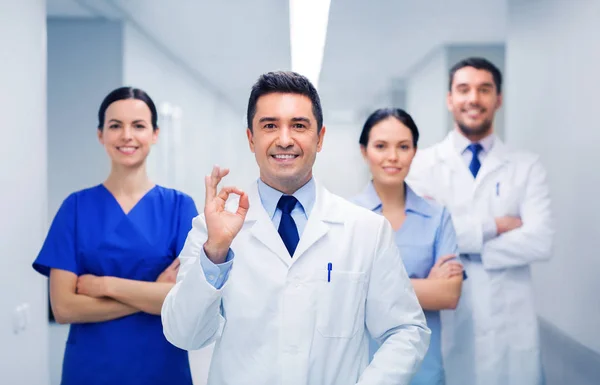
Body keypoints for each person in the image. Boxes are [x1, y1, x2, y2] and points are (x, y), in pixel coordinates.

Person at [161, 71, 430, 385]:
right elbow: (184, 334)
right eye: (270, 125)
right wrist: (216, 252)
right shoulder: (211, 229)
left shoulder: (366, 230)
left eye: (299, 126)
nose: (285, 139)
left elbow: (406, 330)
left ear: (320, 138)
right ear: (251, 138)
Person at [32, 87, 198, 385]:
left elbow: (184, 299)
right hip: (91, 370)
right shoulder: (76, 207)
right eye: (115, 126)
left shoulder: (179, 207)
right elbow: (64, 307)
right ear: (100, 135)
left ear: (155, 134)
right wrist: (150, 295)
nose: (127, 136)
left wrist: (103, 285)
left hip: (160, 368)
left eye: (138, 125)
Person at [406, 57, 553, 385]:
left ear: (498, 99)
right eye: (463, 89)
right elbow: (423, 239)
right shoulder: (422, 166)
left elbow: (540, 240)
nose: (473, 98)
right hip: (449, 318)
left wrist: (462, 246)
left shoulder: (526, 166)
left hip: (509, 322)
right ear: (450, 99)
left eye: (484, 89)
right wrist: (494, 227)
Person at [352, 108, 463, 385]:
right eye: (381, 146)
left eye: (403, 146)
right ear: (364, 151)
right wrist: (426, 285)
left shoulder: (438, 217)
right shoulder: (347, 217)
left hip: (424, 370)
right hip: (364, 370)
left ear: (415, 152)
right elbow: (341, 293)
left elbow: (449, 295)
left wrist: (368, 285)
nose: (393, 157)